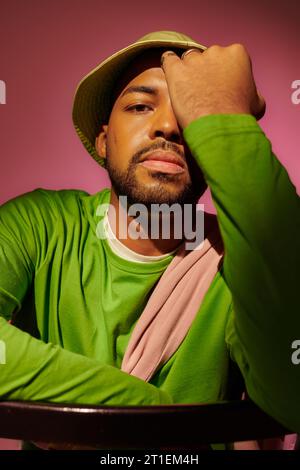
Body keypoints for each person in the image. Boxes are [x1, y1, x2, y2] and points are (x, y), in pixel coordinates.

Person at [0, 30, 299, 449]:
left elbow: (292, 390)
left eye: (189, 113)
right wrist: (154, 421)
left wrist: (227, 119)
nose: (167, 127)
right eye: (141, 106)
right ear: (104, 140)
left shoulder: (237, 255)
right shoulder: (42, 225)